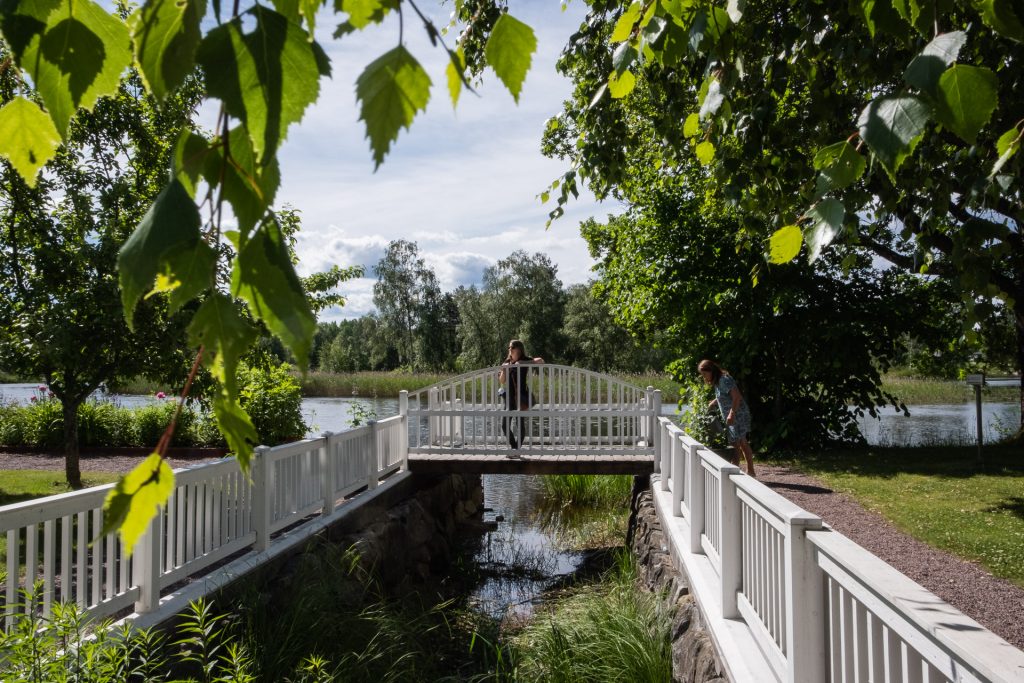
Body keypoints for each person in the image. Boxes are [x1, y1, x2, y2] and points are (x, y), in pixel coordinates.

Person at [698, 359, 756, 477]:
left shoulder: (724, 380)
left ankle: (748, 471)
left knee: (741, 442)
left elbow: (737, 397)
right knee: (735, 443)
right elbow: (724, 395)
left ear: (711, 371)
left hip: (738, 415)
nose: (704, 378)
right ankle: (737, 471)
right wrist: (714, 402)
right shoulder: (718, 381)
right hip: (732, 416)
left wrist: (731, 414)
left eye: (704, 374)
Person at [498, 340, 544, 455]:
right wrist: (504, 369)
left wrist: (523, 363)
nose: (509, 350)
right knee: (504, 425)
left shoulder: (524, 359)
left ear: (518, 349)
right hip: (508, 398)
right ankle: (515, 449)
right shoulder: (507, 362)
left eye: (511, 347)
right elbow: (502, 381)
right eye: (509, 348)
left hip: (520, 397)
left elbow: (541, 361)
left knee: (520, 425)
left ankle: (516, 450)